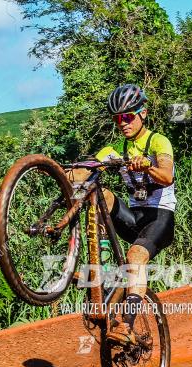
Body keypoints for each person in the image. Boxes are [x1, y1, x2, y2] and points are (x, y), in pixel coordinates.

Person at [67, 84, 175, 345]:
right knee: (99, 193)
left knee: (135, 256)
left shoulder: (158, 141)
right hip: (133, 218)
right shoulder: (115, 148)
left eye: (128, 116)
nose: (123, 123)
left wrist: (148, 165)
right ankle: (99, 269)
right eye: (118, 119)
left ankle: (127, 324)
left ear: (143, 113)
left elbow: (167, 175)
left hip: (159, 218)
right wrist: (58, 171)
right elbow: (86, 171)